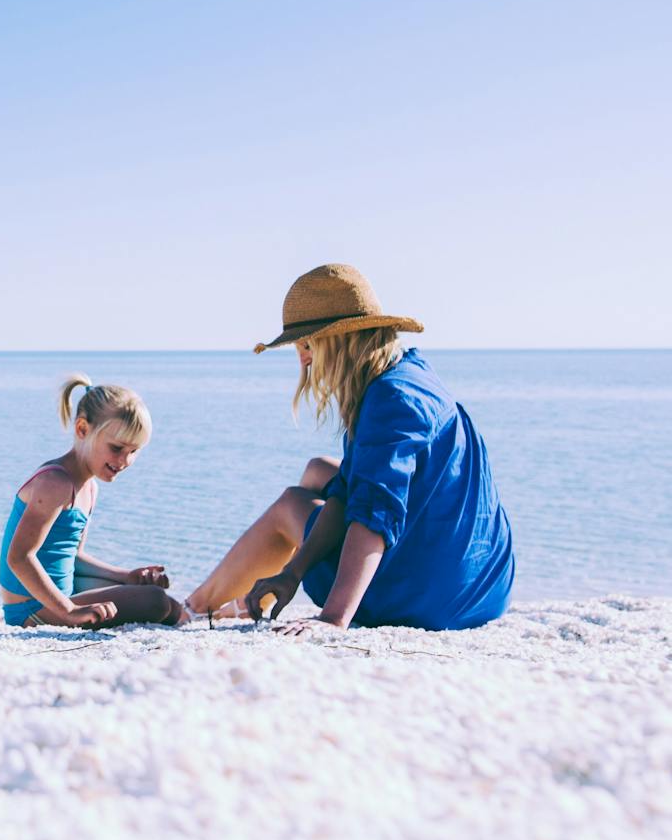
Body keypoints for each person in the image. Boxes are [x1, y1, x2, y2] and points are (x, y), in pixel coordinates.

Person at [184, 264, 516, 632]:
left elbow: (375, 512)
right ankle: (245, 595)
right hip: (486, 584)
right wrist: (292, 573)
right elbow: (348, 490)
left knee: (289, 506)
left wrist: (334, 617)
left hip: (432, 599)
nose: (304, 360)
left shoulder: (390, 399)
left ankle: (196, 606)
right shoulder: (411, 372)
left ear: (338, 341)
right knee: (318, 470)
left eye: (306, 345)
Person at [0, 375, 188, 628]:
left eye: (133, 451)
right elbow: (20, 557)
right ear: (82, 430)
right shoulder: (55, 482)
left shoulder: (89, 487)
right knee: (157, 602)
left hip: (62, 594)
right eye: (117, 448)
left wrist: (126, 576)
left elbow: (73, 557)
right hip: (31, 609)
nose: (124, 461)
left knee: (168, 603)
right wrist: (69, 610)